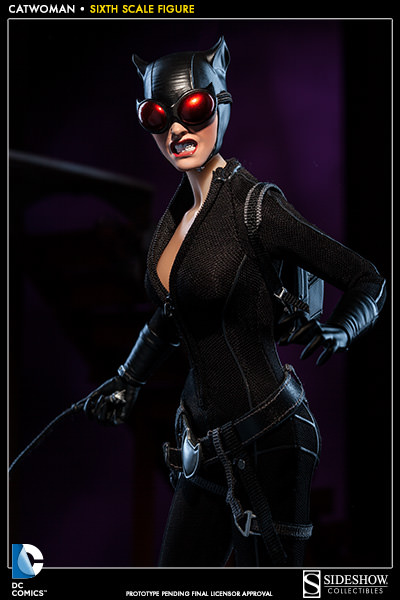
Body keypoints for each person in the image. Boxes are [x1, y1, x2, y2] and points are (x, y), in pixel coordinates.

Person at [83, 37, 386, 567]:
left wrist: (343, 328)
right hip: (201, 447)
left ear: (221, 103)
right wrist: (128, 379)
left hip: (270, 439)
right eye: (157, 116)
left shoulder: (256, 207)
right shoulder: (177, 218)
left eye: (193, 108)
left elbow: (367, 279)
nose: (176, 130)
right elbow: (173, 313)